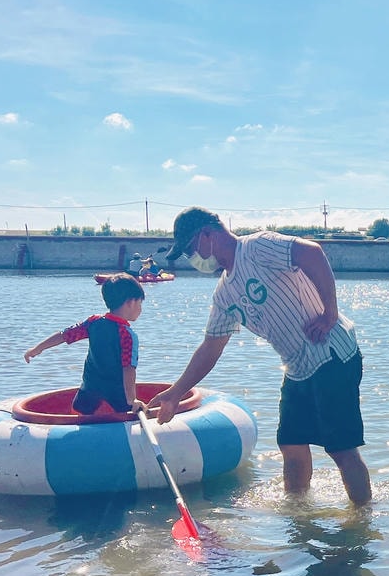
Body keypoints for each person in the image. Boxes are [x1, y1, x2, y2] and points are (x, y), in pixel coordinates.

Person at [148, 206, 372, 505]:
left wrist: (330, 312)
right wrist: (175, 393)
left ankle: (363, 521)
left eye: (191, 249)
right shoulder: (224, 293)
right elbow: (211, 347)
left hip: (332, 353)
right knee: (291, 445)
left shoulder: (257, 247)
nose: (193, 259)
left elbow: (313, 253)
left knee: (340, 448)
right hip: (297, 367)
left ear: (208, 234)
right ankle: (298, 517)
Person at [23, 272, 147, 415]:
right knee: (127, 415)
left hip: (90, 386)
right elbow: (128, 369)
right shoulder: (127, 335)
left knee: (78, 414)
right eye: (140, 303)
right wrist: (132, 400)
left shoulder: (93, 322)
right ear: (130, 302)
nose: (140, 309)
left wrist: (38, 348)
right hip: (116, 389)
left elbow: (65, 335)